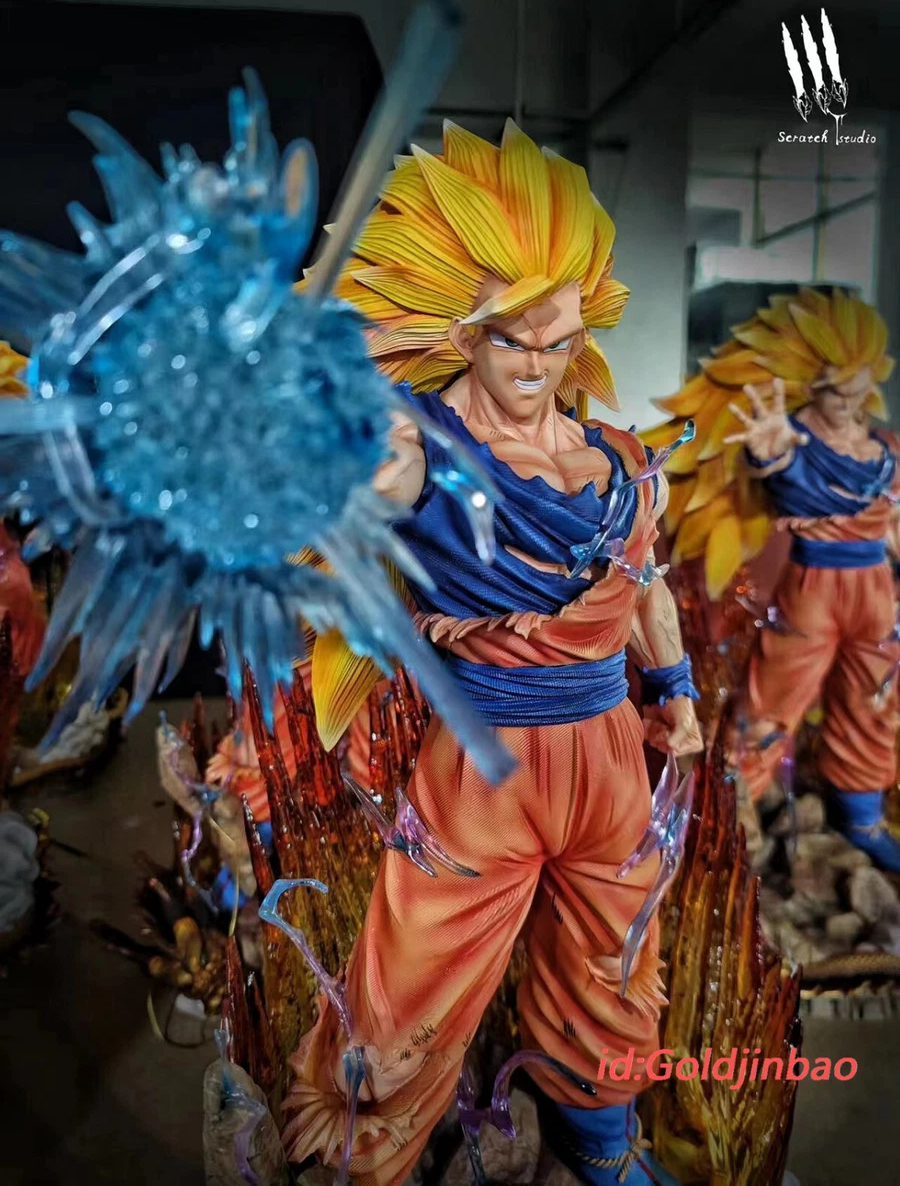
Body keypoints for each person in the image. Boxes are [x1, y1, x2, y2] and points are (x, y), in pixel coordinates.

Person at [283, 120, 703, 1184]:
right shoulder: (420, 444)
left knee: (614, 958)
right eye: (512, 338)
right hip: (485, 761)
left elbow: (645, 583)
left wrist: (677, 689)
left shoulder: (617, 458)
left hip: (611, 747)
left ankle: (600, 1142)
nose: (537, 364)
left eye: (558, 341)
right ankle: (366, 1156)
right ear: (462, 333)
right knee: (411, 983)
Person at [646, 287, 900, 870]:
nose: (849, 401)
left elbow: (890, 521)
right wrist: (773, 457)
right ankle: (736, 814)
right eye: (837, 388)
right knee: (772, 701)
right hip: (814, 587)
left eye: (859, 386)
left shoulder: (883, 448)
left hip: (875, 590)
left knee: (873, 698)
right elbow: (784, 480)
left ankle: (861, 816)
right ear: (814, 382)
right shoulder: (790, 437)